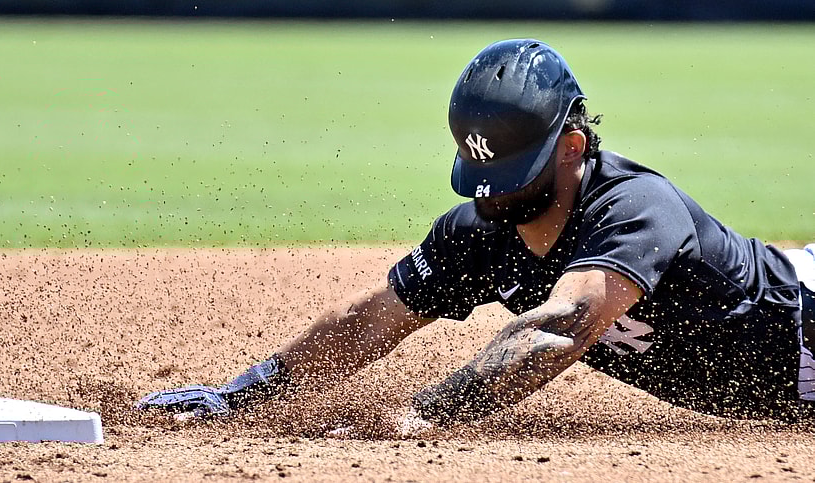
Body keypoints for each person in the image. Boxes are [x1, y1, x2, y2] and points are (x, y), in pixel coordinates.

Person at [138, 39, 815, 434]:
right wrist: (242, 394)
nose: (495, 199)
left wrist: (422, 414)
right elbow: (369, 322)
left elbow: (562, 326)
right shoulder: (484, 230)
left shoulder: (636, 208)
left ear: (572, 146)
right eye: (484, 177)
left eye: (514, 177)